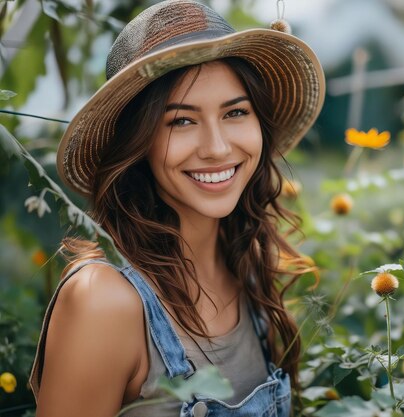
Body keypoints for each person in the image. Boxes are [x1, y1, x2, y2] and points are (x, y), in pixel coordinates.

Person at [28, 1, 325, 416]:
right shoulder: (104, 300)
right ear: (137, 144)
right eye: (181, 121)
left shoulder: (247, 265)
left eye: (236, 112)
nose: (218, 148)